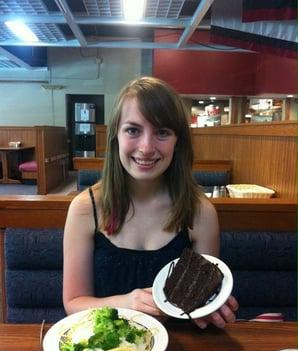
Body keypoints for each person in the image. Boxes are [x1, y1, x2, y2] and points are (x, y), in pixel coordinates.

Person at [63, 76, 238, 329]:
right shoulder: (85, 208)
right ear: (116, 137)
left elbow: (198, 300)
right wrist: (127, 303)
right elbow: (74, 303)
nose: (146, 147)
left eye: (162, 132)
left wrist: (209, 307)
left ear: (178, 142)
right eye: (133, 130)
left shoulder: (200, 212)